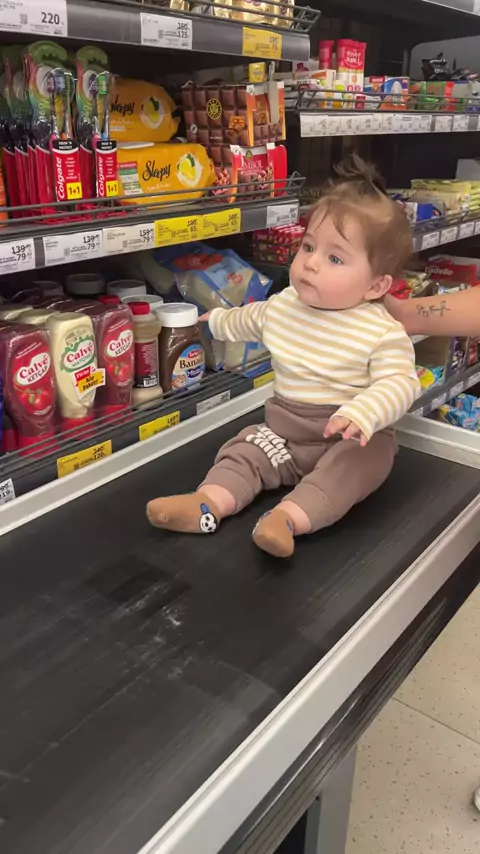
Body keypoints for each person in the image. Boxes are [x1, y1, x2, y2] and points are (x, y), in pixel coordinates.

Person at [147, 156, 421, 558]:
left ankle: (286, 519)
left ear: (376, 286)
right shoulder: (285, 304)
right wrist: (216, 321)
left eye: (335, 258)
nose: (311, 262)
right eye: (308, 246)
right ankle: (208, 502)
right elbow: (252, 318)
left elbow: (401, 382)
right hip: (284, 433)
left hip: (348, 437)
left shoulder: (380, 331)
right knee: (245, 449)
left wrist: (365, 412)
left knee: (358, 466)